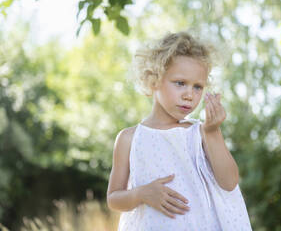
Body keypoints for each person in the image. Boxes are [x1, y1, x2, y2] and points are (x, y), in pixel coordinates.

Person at [106, 31, 253, 230]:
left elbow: (229, 182)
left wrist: (213, 132)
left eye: (197, 87)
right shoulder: (129, 139)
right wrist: (141, 194)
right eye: (180, 83)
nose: (189, 95)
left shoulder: (200, 133)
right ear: (154, 79)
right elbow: (114, 199)